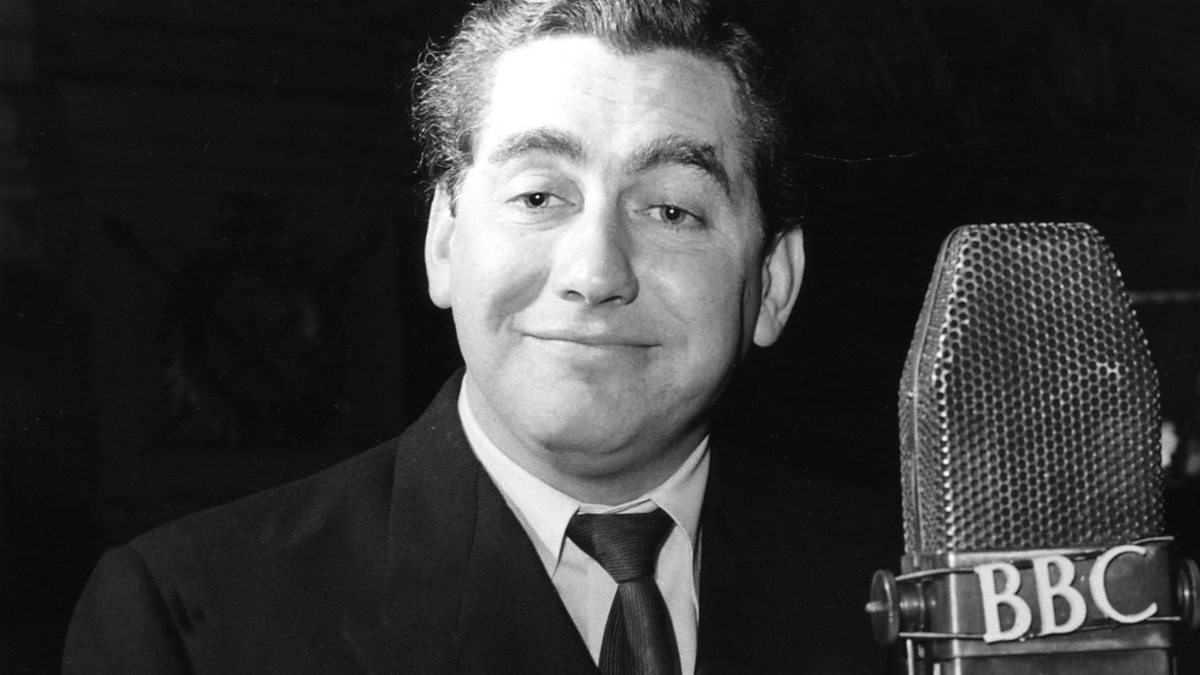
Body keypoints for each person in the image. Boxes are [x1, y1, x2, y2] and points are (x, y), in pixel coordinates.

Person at [64, 0, 895, 672]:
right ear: (443, 242)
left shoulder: (909, 575)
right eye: (538, 197)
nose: (595, 272)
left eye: (672, 210)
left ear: (772, 283)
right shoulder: (188, 623)